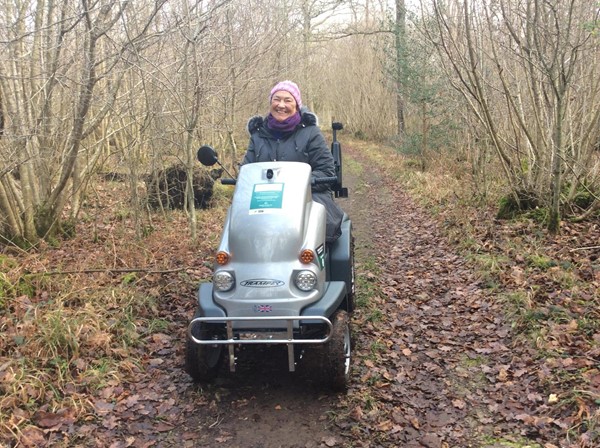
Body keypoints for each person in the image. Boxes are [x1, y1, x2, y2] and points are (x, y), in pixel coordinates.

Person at [242, 80, 343, 243]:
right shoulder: (258, 136)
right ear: (270, 103)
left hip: (306, 198)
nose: (281, 105)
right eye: (276, 99)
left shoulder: (311, 133)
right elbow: (246, 174)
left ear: (296, 105)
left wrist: (295, 184)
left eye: (287, 100)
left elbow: (326, 171)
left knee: (319, 232)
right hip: (265, 201)